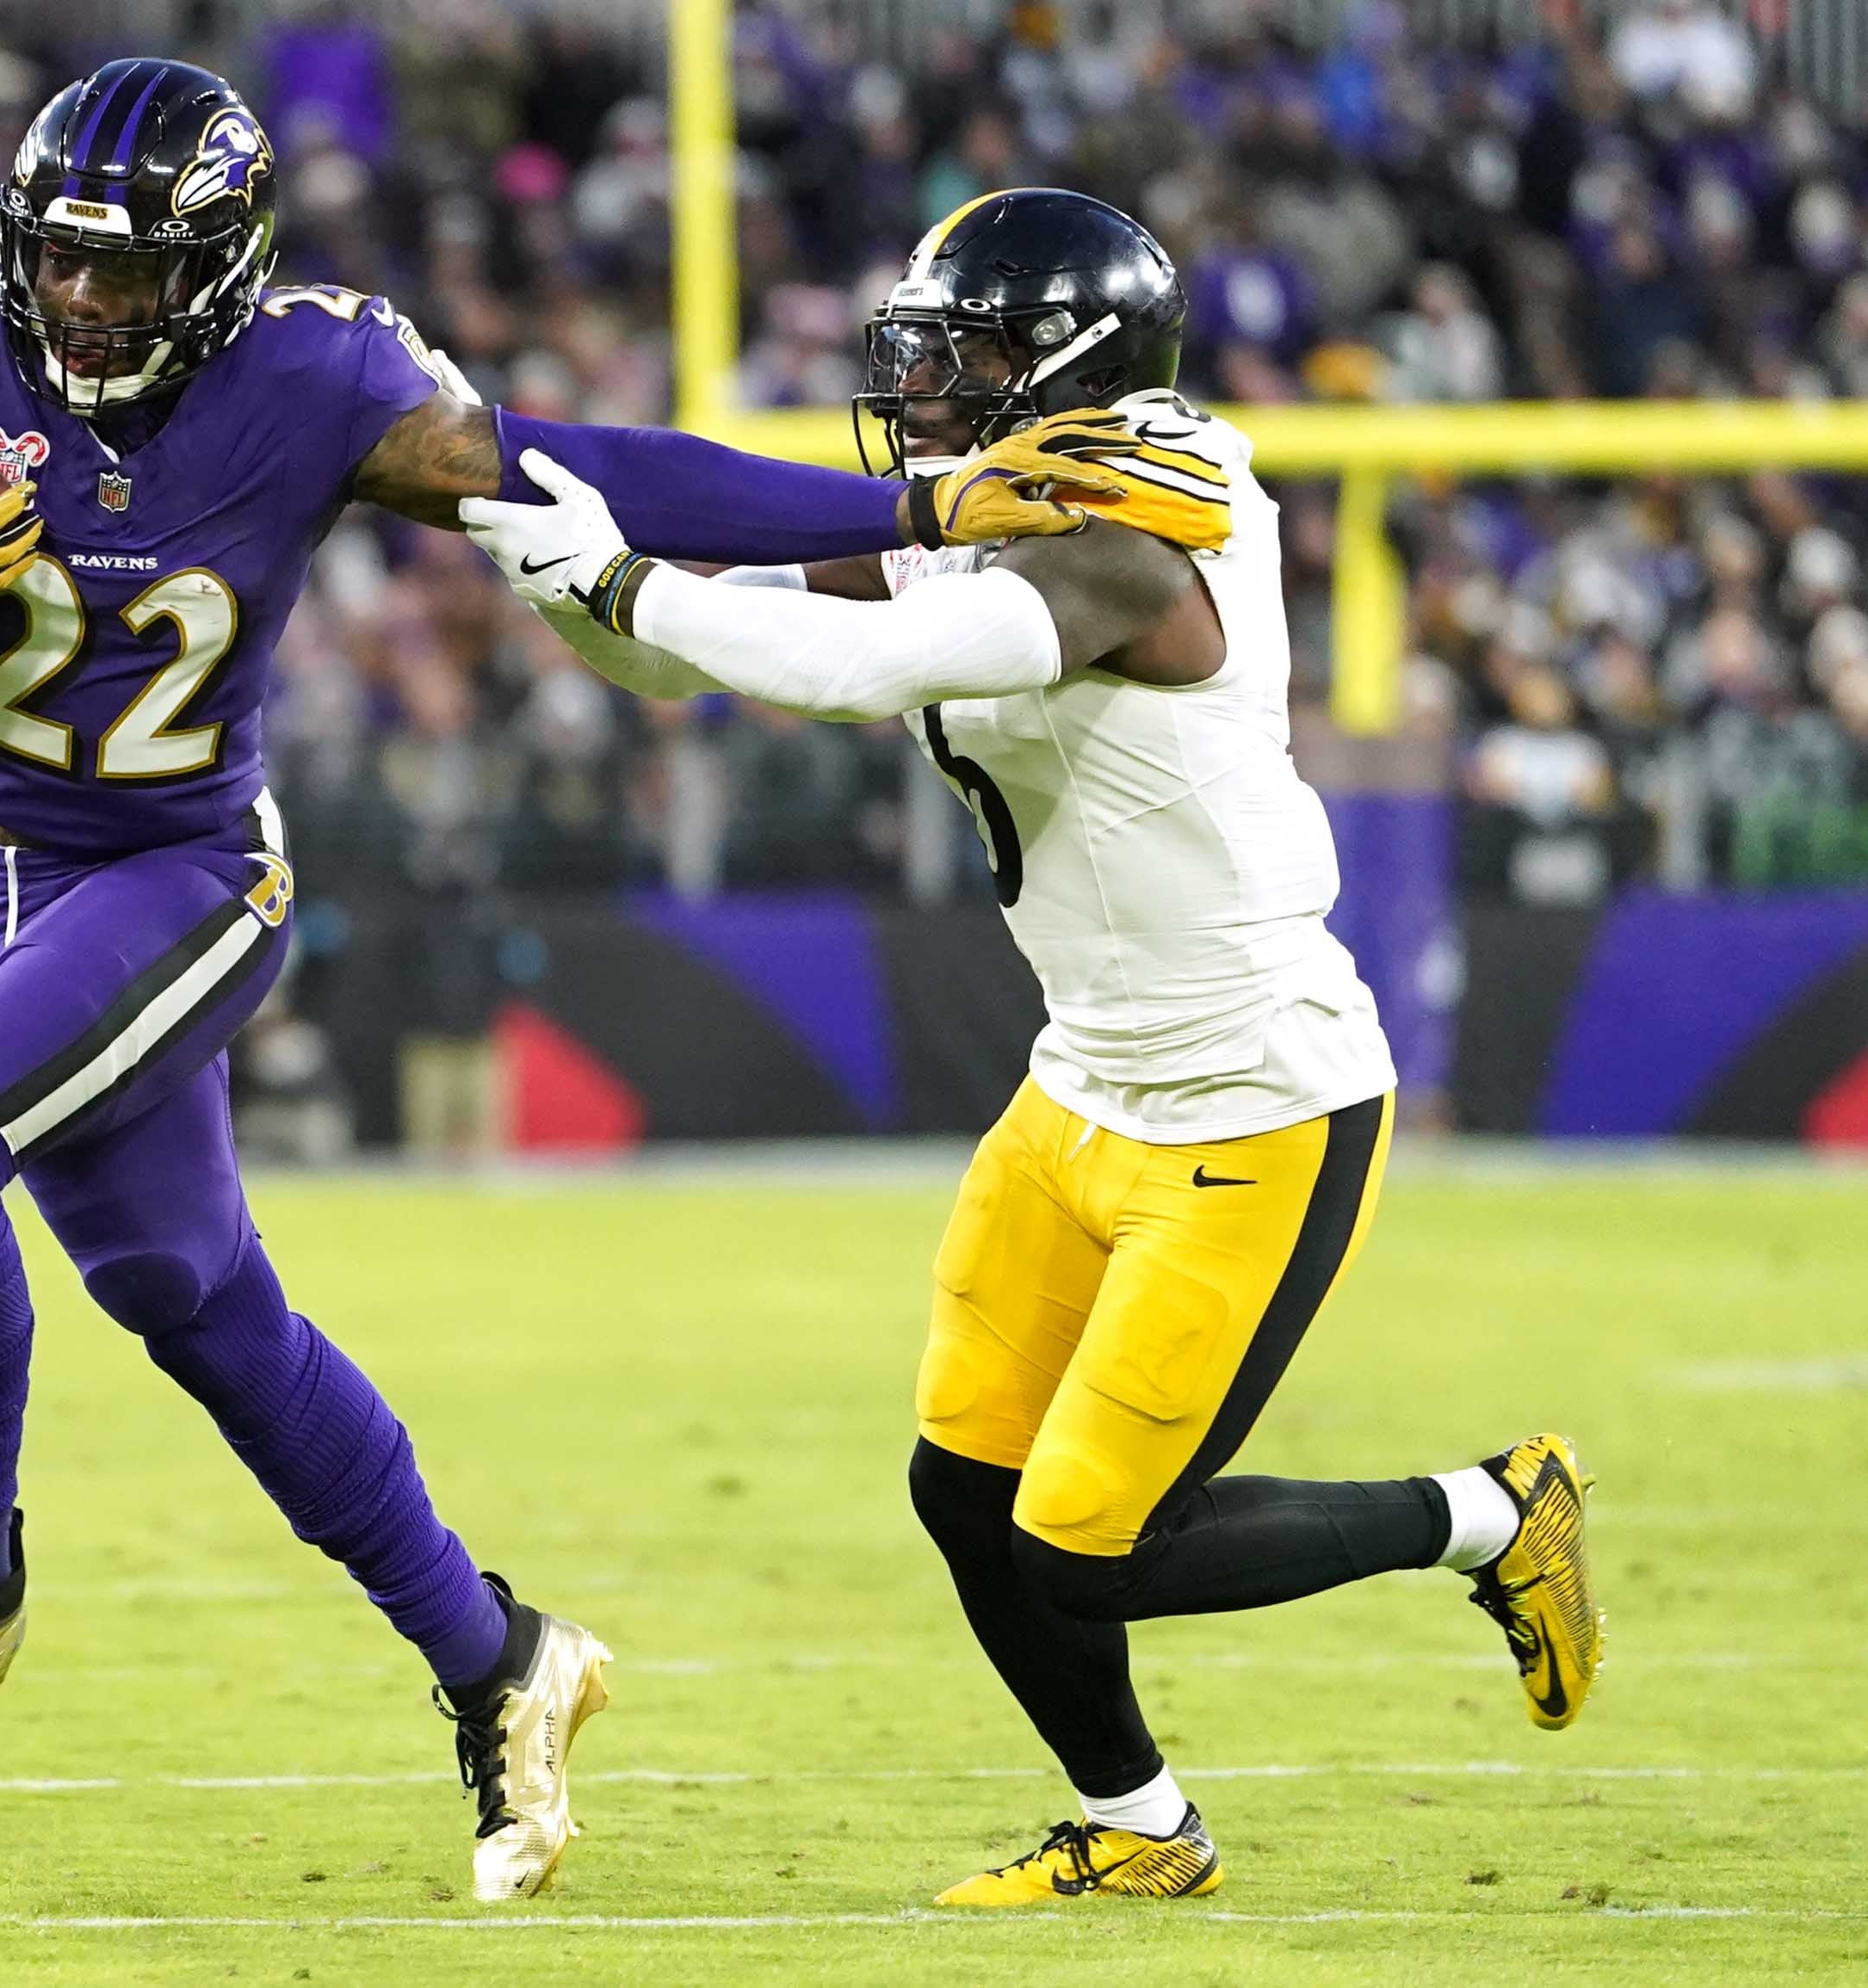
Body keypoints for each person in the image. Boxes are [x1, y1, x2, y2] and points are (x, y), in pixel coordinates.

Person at [0, 63, 1192, 1898]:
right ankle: (501, 1662)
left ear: (216, 270)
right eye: (59, 266)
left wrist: (931, 518)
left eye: (130, 278)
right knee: (189, 1301)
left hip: (182, 871)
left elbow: (590, 473)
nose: (84, 308)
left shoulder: (318, 380)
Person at [461, 188, 1604, 1907]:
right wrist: (572, 591)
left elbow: (864, 666)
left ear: (1069, 360)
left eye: (970, 350)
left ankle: (1492, 1514)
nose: (925, 384)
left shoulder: (1143, 521)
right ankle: (1138, 1827)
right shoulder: (989, 497)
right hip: (1080, 1080)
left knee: (1087, 1538)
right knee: (962, 1488)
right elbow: (707, 657)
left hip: (1253, 1100)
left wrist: (620, 579)